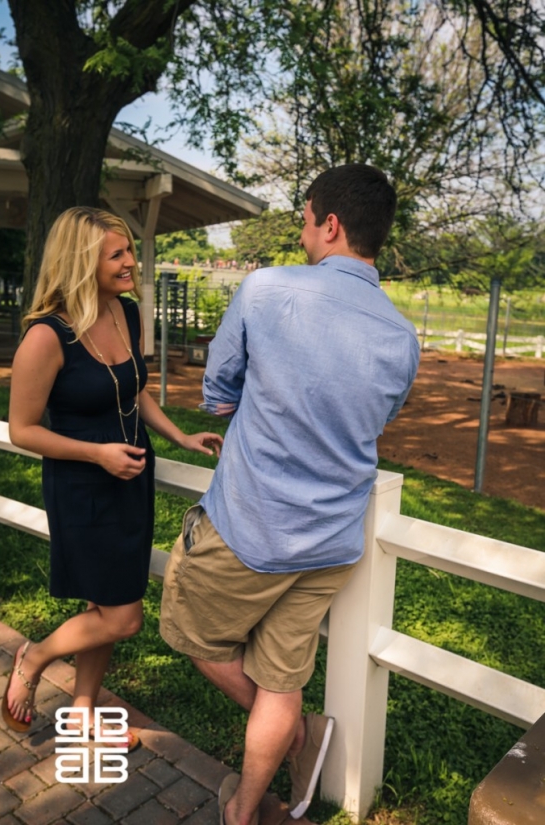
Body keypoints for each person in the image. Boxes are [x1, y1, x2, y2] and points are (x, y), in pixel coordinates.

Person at [160, 163, 420, 824]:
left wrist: (256, 400)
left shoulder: (267, 289)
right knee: (281, 679)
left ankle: (298, 735)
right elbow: (369, 416)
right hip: (333, 540)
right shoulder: (402, 335)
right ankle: (245, 808)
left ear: (329, 223)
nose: (303, 233)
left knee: (188, 632)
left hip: (250, 527)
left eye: (305, 220)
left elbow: (217, 394)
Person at [3, 207, 223, 746]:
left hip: (130, 479)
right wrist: (97, 454)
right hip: (84, 486)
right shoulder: (46, 336)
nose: (132, 263)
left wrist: (178, 437)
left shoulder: (126, 311)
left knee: (103, 603)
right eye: (118, 255)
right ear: (81, 262)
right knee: (124, 618)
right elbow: (22, 430)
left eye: (130, 250)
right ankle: (34, 656)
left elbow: (134, 389)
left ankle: (82, 714)